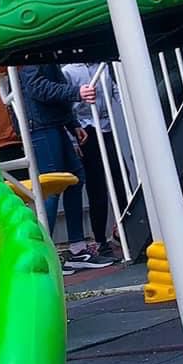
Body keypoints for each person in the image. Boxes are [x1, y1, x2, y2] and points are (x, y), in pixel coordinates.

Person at [16, 62, 89, 261]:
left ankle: (74, 248)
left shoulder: (35, 54)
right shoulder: (31, 53)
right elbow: (36, 87)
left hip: (46, 122)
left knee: (72, 179)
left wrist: (72, 123)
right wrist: (75, 93)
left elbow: (41, 85)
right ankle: (46, 252)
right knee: (52, 186)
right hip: (41, 124)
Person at [63, 61, 120, 269]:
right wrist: (73, 137)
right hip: (86, 129)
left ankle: (123, 228)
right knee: (97, 185)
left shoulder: (104, 65)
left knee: (119, 176)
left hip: (106, 126)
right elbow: (66, 104)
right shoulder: (69, 71)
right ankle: (101, 240)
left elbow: (116, 91)